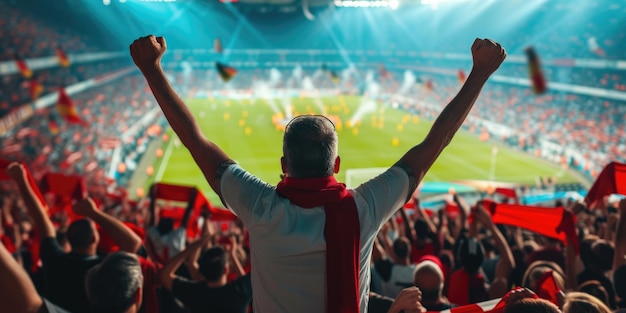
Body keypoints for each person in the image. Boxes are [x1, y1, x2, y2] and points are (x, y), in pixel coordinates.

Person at [130, 35, 506, 313]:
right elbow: (431, 146)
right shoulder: (363, 208)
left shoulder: (260, 206)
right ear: (337, 166)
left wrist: (152, 69)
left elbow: (196, 141)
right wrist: (479, 73)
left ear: (283, 165)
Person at [5, 162, 143, 313]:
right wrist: (93, 212)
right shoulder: (104, 270)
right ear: (93, 239)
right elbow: (133, 243)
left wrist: (21, 181)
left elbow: (41, 221)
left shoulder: (55, 261)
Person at [159, 235, 252, 313]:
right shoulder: (239, 292)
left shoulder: (195, 293)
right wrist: (233, 255)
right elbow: (248, 281)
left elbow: (165, 275)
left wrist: (193, 247)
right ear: (225, 270)